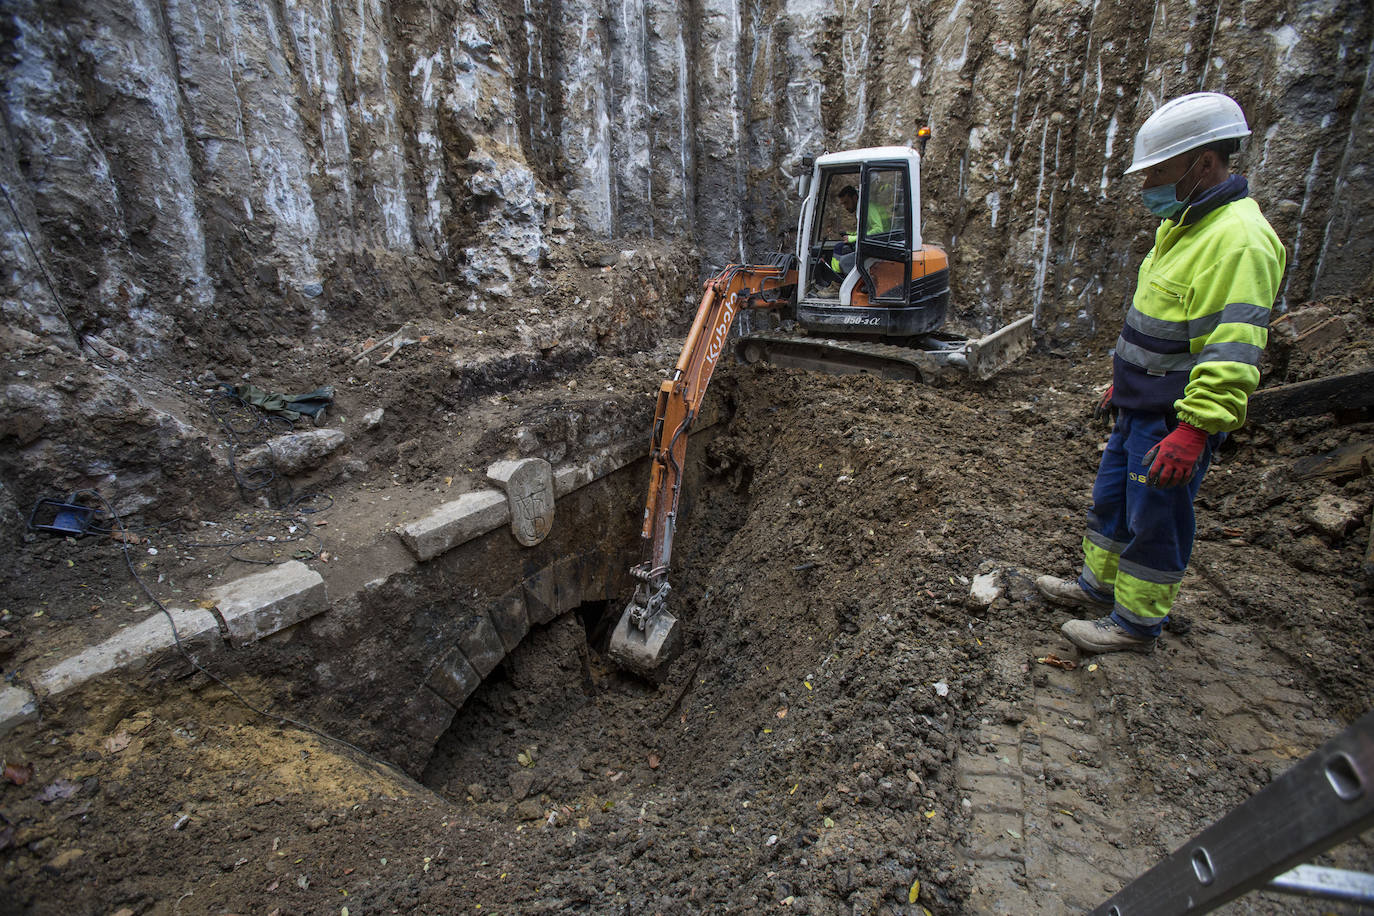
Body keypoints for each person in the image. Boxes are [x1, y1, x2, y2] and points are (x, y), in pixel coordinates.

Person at [1035, 91, 1286, 654]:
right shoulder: (1185, 225)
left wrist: (1195, 430)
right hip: (1139, 405)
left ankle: (1136, 624)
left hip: (1174, 418)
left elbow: (1231, 350)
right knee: (1114, 500)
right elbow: (1161, 325)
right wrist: (1122, 382)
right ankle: (1097, 589)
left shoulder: (1238, 241)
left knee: (1156, 516)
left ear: (1204, 161)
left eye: (1159, 169)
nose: (1148, 183)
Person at [830, 184, 892, 276]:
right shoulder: (863, 207)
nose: (846, 207)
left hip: (880, 246)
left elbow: (879, 230)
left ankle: (836, 281)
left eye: (846, 202)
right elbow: (868, 230)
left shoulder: (868, 208)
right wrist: (852, 234)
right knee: (841, 248)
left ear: (854, 198)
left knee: (840, 251)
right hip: (875, 243)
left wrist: (854, 238)